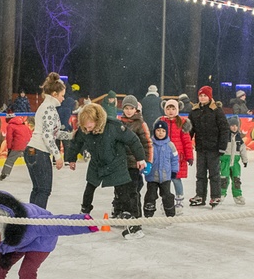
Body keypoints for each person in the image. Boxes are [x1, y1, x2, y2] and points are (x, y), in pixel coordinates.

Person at [64, 102, 147, 239]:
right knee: (89, 187)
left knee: (124, 192)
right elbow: (77, 142)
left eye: (89, 125)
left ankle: (133, 224)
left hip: (116, 163)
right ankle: (84, 213)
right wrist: (71, 158)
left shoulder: (114, 126)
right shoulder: (84, 130)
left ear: (97, 120)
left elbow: (133, 140)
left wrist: (140, 158)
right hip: (97, 163)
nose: (87, 129)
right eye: (84, 126)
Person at [24, 73, 73, 208]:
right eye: (62, 95)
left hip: (31, 151)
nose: (63, 99)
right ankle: (37, 220)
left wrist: (70, 135)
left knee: (38, 189)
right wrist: (58, 156)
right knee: (44, 189)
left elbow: (52, 133)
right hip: (39, 152)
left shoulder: (45, 107)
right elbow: (47, 136)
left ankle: (32, 218)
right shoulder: (49, 109)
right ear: (55, 94)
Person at [117, 94, 153, 238]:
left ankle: (136, 223)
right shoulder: (119, 123)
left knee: (133, 192)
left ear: (136, 109)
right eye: (126, 108)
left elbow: (147, 143)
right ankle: (126, 216)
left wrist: (148, 161)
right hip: (121, 164)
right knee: (121, 192)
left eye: (131, 108)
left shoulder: (140, 123)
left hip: (135, 163)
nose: (129, 111)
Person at [188, 86, 230, 208]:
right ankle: (200, 195)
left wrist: (222, 146)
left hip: (214, 148)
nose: (202, 98)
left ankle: (215, 196)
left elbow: (224, 129)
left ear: (210, 97)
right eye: (201, 95)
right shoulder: (194, 111)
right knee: (200, 174)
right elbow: (190, 130)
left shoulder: (217, 110)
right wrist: (187, 143)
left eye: (205, 96)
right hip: (201, 148)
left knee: (214, 174)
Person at [161, 98, 194, 212]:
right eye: (168, 108)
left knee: (176, 179)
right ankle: (166, 201)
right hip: (163, 157)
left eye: (173, 108)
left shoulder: (182, 122)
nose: (170, 111)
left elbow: (187, 141)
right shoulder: (161, 122)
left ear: (177, 109)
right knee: (165, 180)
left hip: (177, 158)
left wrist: (189, 156)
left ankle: (179, 199)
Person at [144, 119, 180, 218]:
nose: (160, 133)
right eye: (158, 130)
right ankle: (148, 213)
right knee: (150, 196)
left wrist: (174, 171)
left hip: (165, 177)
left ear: (166, 132)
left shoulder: (170, 145)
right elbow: (145, 158)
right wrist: (144, 168)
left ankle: (170, 214)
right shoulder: (150, 145)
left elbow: (175, 159)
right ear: (154, 131)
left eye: (163, 131)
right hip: (152, 177)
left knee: (167, 196)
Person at [218, 115, 248, 205]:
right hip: (225, 162)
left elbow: (243, 150)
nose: (234, 127)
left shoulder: (239, 138)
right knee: (224, 179)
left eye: (236, 126)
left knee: (236, 179)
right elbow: (219, 148)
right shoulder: (224, 137)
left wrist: (245, 160)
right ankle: (221, 194)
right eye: (232, 125)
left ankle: (237, 195)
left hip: (235, 162)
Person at [0, 111, 32, 181]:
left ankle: (4, 174)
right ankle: (36, 173)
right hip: (29, 145)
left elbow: (9, 138)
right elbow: (30, 134)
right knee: (32, 160)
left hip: (18, 146)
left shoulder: (10, 126)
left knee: (10, 160)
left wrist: (9, 148)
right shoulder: (24, 125)